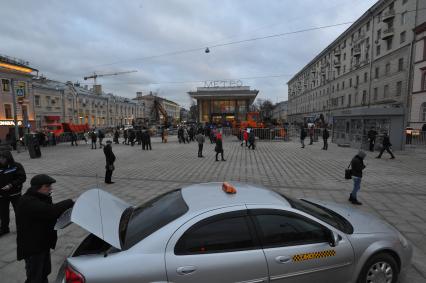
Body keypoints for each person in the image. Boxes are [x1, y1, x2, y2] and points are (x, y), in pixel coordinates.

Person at [16, 174, 74, 283]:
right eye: (47, 186)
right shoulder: (27, 201)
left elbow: (49, 213)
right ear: (37, 187)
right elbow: (50, 211)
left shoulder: (40, 197)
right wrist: (69, 202)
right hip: (32, 247)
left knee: (44, 272)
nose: (50, 188)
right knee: (35, 276)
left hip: (42, 243)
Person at [0, 150, 26, 236]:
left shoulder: (16, 166)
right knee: (3, 212)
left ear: (8, 158)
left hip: (15, 194)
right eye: (0, 158)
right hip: (2, 195)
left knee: (18, 211)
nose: (1, 160)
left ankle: (21, 228)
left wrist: (11, 185)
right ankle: (4, 229)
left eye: (3, 158)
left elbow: (22, 178)